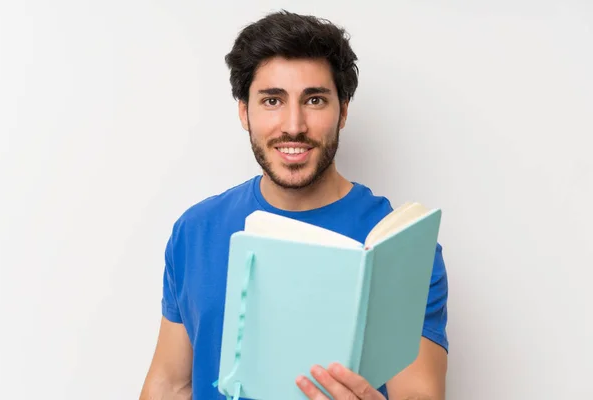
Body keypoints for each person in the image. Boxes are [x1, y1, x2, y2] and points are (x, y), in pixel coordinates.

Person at [139, 9, 449, 400]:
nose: (294, 125)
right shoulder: (196, 229)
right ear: (243, 111)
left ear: (344, 111)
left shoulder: (402, 246)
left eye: (315, 100)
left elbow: (419, 394)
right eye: (272, 100)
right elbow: (169, 385)